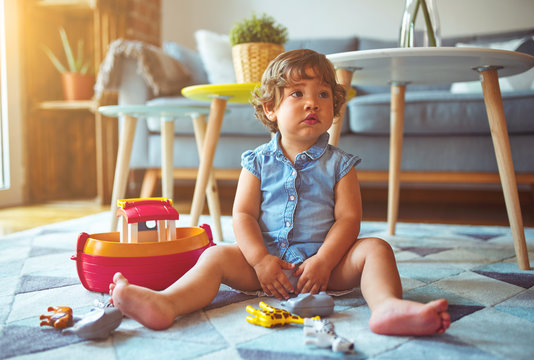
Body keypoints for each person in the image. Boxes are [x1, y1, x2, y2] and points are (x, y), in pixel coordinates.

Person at [109, 49, 451, 336]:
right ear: (271, 108)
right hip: (264, 263)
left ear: (334, 106)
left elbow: (349, 220)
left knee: (376, 249)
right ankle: (166, 303)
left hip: (326, 269)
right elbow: (243, 215)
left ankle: (387, 308)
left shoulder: (340, 164)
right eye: (297, 94)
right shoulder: (256, 161)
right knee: (213, 255)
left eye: (322, 94)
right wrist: (259, 260)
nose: (312, 104)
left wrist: (323, 261)